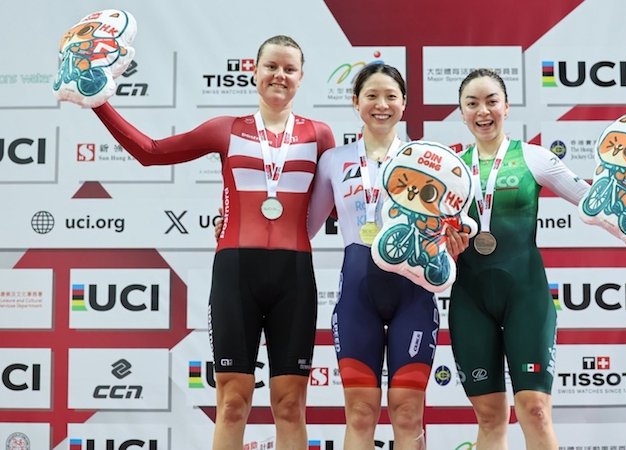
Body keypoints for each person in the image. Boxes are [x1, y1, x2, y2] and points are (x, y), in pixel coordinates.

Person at [84, 35, 335, 450]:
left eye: (289, 69)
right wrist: (99, 104)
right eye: (271, 66)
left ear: (301, 77)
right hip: (236, 273)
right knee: (232, 403)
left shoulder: (319, 135)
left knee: (290, 405)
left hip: (294, 276)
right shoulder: (227, 129)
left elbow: (345, 205)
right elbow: (151, 152)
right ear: (254, 71)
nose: (280, 75)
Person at [448, 68, 626, 450]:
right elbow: (434, 241)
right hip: (470, 298)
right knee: (489, 417)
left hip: (525, 295)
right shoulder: (450, 168)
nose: (483, 111)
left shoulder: (535, 158)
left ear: (507, 106)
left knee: (535, 410)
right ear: (461, 112)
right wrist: (447, 247)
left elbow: (600, 209)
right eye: (472, 103)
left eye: (492, 101)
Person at [306, 63, 467, 450]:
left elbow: (449, 222)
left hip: (413, 294)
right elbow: (304, 227)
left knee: (408, 412)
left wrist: (453, 244)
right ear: (355, 101)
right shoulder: (333, 161)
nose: (382, 105)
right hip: (357, 294)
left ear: (404, 103)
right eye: (372, 96)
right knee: (360, 413)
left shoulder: (427, 160)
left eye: (391, 96)